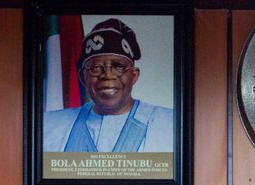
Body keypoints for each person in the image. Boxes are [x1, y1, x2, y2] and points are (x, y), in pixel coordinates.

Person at [43, 18, 174, 153]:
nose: (108, 75)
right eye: (96, 68)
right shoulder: (49, 126)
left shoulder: (171, 124)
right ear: (83, 77)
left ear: (134, 76)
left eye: (119, 66)